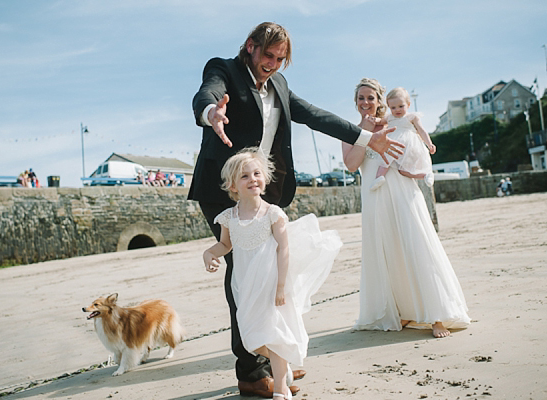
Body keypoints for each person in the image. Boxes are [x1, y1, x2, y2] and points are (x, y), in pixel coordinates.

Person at [188, 22, 404, 396]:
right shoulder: (224, 70)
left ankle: (275, 357)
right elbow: (207, 93)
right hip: (224, 190)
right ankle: (251, 373)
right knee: (244, 269)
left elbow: (315, 115)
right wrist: (211, 113)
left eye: (280, 59)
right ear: (250, 46)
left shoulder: (280, 87)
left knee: (269, 272)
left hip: (262, 191)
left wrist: (368, 139)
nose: (272, 64)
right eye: (267, 55)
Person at [203, 148, 341, 400]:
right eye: (245, 176)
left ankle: (280, 387)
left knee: (274, 333)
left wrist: (280, 286)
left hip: (271, 281)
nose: (252, 179)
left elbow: (284, 250)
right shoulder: (229, 217)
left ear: (264, 178)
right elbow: (225, 245)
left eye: (257, 173)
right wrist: (209, 253)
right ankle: (284, 363)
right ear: (233, 185)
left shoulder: (273, 214)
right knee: (250, 339)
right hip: (244, 284)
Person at [342, 78, 471, 338]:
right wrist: (364, 134)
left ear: (380, 101)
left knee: (417, 244)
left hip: (402, 193)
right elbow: (352, 165)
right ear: (355, 102)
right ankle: (402, 311)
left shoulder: (395, 123)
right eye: (361, 98)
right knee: (387, 251)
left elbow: (415, 150)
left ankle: (437, 316)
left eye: (370, 98)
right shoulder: (349, 131)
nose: (365, 103)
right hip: (374, 198)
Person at [369, 87, 436, 191]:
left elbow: (422, 131)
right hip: (394, 144)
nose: (397, 110)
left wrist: (429, 144)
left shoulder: (412, 117)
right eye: (393, 107)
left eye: (401, 106)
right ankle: (379, 177)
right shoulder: (390, 117)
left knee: (403, 168)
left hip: (409, 145)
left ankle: (426, 175)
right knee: (390, 162)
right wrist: (373, 119)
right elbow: (380, 121)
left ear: (408, 105)